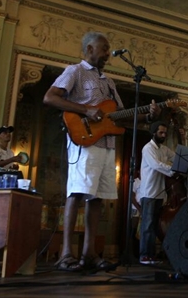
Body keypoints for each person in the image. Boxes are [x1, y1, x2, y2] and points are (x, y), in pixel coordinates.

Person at [43, 31, 160, 272]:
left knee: (96, 197)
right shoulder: (74, 71)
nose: (108, 54)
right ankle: (66, 254)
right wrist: (85, 111)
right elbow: (50, 98)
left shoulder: (109, 82)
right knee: (76, 193)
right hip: (83, 142)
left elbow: (121, 117)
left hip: (107, 145)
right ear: (89, 49)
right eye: (104, 48)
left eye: (108, 49)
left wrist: (148, 115)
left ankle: (89, 254)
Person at [138, 122, 174, 265]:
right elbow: (156, 165)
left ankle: (152, 255)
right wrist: (173, 171)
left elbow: (176, 158)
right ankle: (144, 256)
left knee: (155, 226)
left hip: (160, 193)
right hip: (149, 192)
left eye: (165, 133)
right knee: (147, 225)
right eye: (161, 133)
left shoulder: (164, 149)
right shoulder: (147, 148)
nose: (164, 135)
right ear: (154, 133)